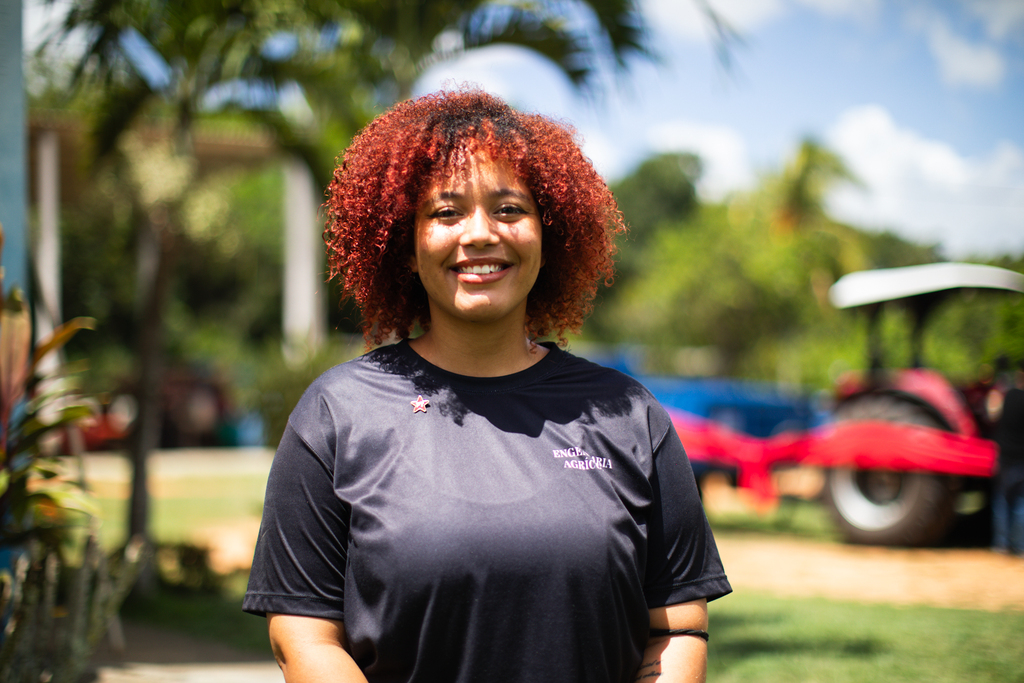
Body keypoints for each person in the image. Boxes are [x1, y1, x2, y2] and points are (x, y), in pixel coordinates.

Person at [243, 89, 732, 683]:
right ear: (406, 244)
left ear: (549, 235)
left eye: (509, 209)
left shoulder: (630, 416)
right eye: (446, 212)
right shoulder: (336, 414)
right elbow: (303, 635)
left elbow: (676, 631)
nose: (479, 234)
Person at [992, 362, 1024, 555]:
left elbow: (994, 418)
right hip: (1022, 460)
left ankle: (1001, 545)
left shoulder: (1008, 397)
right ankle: (1020, 546)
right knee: (1021, 504)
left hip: (1005, 458)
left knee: (1002, 503)